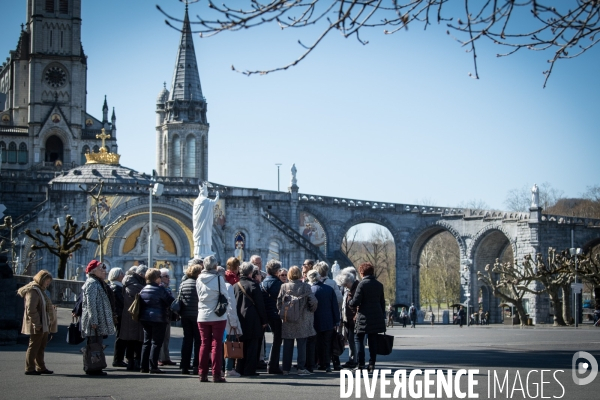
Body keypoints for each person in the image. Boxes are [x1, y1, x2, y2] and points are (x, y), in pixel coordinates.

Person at [196, 255, 232, 382]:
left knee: (204, 343)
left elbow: (199, 295)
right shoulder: (218, 279)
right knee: (216, 344)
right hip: (218, 315)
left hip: (202, 315)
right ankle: (216, 374)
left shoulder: (199, 278)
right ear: (215, 266)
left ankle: (202, 373)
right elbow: (225, 296)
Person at [277, 266, 318, 376]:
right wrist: (310, 310)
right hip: (303, 319)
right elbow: (313, 301)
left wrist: (284, 311)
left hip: (288, 319)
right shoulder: (306, 286)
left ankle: (286, 368)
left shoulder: (284, 286)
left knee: (287, 344)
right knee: (302, 344)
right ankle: (301, 367)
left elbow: (279, 302)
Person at [18, 269, 57, 375]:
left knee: (41, 346)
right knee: (34, 345)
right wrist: (37, 323)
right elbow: (31, 309)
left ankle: (41, 367)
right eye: (47, 281)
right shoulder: (33, 290)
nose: (48, 284)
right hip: (38, 324)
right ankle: (30, 368)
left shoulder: (40, 290)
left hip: (43, 323)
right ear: (41, 279)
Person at [349, 262, 386, 373]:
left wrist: (350, 302)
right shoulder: (379, 285)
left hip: (363, 316)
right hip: (376, 316)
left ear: (362, 272)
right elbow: (382, 302)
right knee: (373, 341)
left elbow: (356, 301)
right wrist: (381, 315)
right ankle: (371, 364)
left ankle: (360, 364)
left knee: (359, 339)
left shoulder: (362, 284)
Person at [81, 260, 115, 376]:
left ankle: (96, 366)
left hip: (98, 319)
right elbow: (91, 304)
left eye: (104, 269)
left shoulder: (98, 282)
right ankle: (92, 367)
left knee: (97, 343)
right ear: (93, 271)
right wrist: (94, 320)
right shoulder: (92, 283)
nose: (104, 271)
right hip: (94, 320)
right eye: (101, 269)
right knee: (93, 344)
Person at [234, 261, 268, 377]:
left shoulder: (235, 285)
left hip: (239, 318)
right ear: (250, 272)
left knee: (241, 344)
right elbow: (260, 305)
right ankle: (249, 369)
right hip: (253, 319)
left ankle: (239, 368)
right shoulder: (254, 285)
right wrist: (264, 321)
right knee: (252, 346)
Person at [139, 268, 175, 374]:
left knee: (146, 342)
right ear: (156, 278)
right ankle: (153, 366)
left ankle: (143, 366)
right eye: (160, 276)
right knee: (156, 342)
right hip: (158, 318)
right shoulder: (160, 289)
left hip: (145, 318)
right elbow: (170, 302)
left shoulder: (144, 289)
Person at [307, 269, 340, 373]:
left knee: (313, 343)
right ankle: (326, 365)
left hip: (314, 321)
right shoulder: (329, 289)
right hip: (328, 321)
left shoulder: (310, 289)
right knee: (327, 344)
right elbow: (335, 306)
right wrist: (337, 321)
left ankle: (312, 365)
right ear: (319, 277)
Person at [314, 261, 343, 370]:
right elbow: (339, 299)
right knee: (330, 341)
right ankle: (332, 362)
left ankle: (319, 362)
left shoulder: (313, 284)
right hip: (329, 316)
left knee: (318, 341)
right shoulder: (332, 283)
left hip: (316, 316)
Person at [120, 265, 146, 371]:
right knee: (136, 340)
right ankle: (134, 361)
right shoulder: (135, 284)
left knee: (131, 340)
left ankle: (131, 361)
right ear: (141, 274)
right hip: (134, 315)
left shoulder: (129, 282)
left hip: (129, 314)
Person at [179, 259, 203, 375]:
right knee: (198, 341)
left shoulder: (183, 283)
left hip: (185, 315)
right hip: (197, 315)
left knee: (187, 340)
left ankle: (184, 365)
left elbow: (180, 298)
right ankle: (196, 366)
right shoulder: (199, 284)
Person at [261, 259, 284, 374]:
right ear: (276, 271)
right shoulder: (278, 283)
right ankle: (273, 364)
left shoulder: (263, 282)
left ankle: (271, 363)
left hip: (266, 313)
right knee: (277, 340)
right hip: (276, 313)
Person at [223, 260, 243, 378]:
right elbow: (231, 306)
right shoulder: (229, 285)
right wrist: (234, 322)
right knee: (230, 343)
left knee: (219, 344)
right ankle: (228, 368)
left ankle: (220, 367)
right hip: (228, 319)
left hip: (212, 318)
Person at [336, 266, 358, 369]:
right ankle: (352, 359)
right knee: (350, 340)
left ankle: (354, 360)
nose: (345, 286)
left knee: (353, 340)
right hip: (347, 318)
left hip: (352, 319)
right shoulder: (349, 288)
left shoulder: (356, 289)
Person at [108, 267, 127, 367]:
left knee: (121, 337)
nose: (123, 275)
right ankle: (118, 359)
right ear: (118, 275)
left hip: (119, 314)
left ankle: (119, 358)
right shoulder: (116, 288)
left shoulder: (116, 287)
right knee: (120, 337)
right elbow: (122, 301)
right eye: (122, 274)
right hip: (120, 315)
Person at [158, 268, 176, 367]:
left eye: (168, 276)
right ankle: (160, 358)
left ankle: (166, 357)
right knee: (160, 338)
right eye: (166, 276)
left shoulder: (168, 288)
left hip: (168, 315)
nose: (168, 278)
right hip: (161, 315)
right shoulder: (160, 288)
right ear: (160, 278)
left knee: (166, 338)